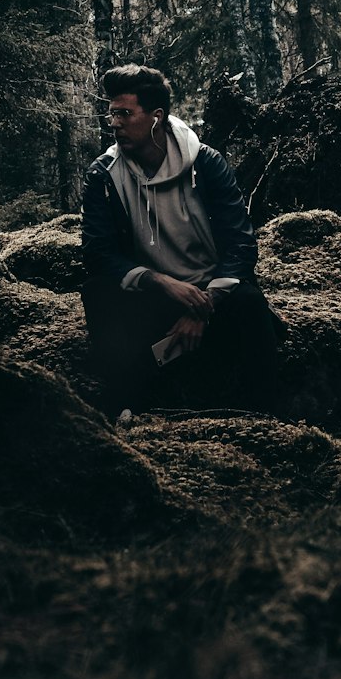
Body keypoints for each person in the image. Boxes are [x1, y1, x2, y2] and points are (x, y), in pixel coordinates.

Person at [81, 64, 280, 418]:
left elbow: (241, 244)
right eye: (112, 114)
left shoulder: (206, 164)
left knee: (250, 305)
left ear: (156, 117)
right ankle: (127, 406)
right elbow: (98, 254)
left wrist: (204, 306)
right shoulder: (103, 176)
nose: (114, 123)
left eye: (125, 114)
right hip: (151, 297)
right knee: (98, 291)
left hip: (212, 296)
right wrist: (157, 281)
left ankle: (263, 416)